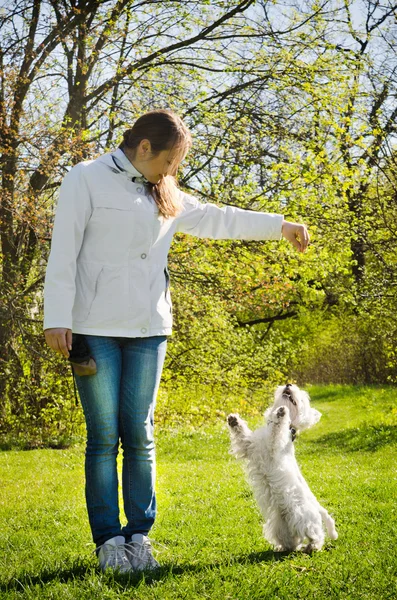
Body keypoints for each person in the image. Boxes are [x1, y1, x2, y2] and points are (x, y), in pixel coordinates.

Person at [43, 108, 310, 574]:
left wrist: (278, 224)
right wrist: (56, 319)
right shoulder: (84, 179)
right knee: (105, 438)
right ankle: (109, 542)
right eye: (170, 161)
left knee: (141, 436)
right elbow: (63, 251)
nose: (173, 172)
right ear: (144, 148)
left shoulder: (162, 190)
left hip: (150, 330)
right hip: (94, 328)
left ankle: (139, 537)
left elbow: (214, 218)